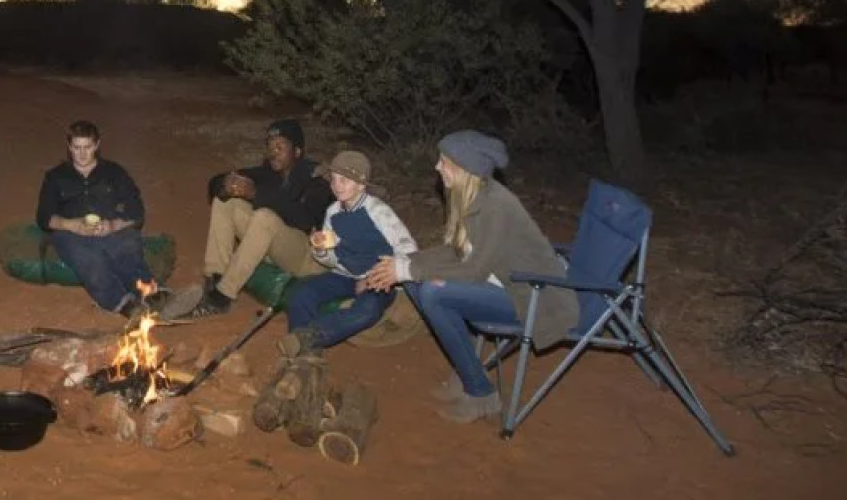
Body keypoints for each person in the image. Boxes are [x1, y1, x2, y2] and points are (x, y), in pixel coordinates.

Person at [362, 130, 577, 424]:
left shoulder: (496, 206)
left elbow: (475, 269)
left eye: (444, 162)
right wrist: (405, 263)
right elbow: (455, 251)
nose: (437, 167)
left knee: (432, 292)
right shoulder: (468, 195)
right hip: (502, 285)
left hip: (533, 298)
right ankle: (468, 372)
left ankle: (481, 395)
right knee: (414, 280)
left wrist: (405, 269)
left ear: (465, 169)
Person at [178, 118, 332, 318]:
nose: (273, 152)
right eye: (270, 147)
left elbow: (306, 220)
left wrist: (256, 195)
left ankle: (223, 296)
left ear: (297, 152)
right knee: (227, 202)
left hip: (305, 258)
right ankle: (215, 278)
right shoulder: (269, 171)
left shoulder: (315, 178)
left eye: (280, 147)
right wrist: (227, 184)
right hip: (273, 246)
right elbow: (216, 182)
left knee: (265, 216)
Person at [278, 150, 418, 358]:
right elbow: (332, 258)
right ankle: (305, 360)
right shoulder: (333, 212)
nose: (337, 185)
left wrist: (373, 278)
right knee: (302, 294)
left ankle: (307, 338)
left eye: (345, 180)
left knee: (368, 310)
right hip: (344, 275)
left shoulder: (378, 211)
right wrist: (320, 250)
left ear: (361, 185)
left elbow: (409, 248)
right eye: (334, 179)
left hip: (379, 279)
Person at [35, 119, 159, 316]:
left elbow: (136, 212)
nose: (82, 153)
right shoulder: (56, 177)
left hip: (109, 228)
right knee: (89, 260)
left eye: (88, 147)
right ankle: (124, 305)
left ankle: (153, 296)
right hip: (71, 233)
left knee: (126, 248)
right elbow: (43, 217)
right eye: (77, 148)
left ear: (97, 145)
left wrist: (112, 225)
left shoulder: (114, 173)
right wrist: (71, 225)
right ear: (69, 147)